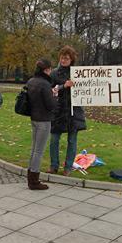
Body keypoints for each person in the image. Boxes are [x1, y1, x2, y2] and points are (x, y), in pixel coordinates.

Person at [49, 46, 87, 175]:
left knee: (72, 140)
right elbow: (50, 89)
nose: (63, 60)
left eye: (66, 58)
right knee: (54, 139)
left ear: (71, 59)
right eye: (62, 58)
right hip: (58, 111)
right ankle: (54, 165)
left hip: (74, 111)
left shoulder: (77, 73)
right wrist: (63, 86)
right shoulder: (54, 73)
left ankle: (68, 167)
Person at [26, 58, 58, 190]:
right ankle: (34, 181)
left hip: (34, 118)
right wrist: (54, 95)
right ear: (46, 70)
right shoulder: (45, 84)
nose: (51, 71)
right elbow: (50, 105)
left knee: (34, 149)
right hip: (44, 120)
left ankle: (30, 176)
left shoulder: (31, 81)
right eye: (50, 69)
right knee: (39, 151)